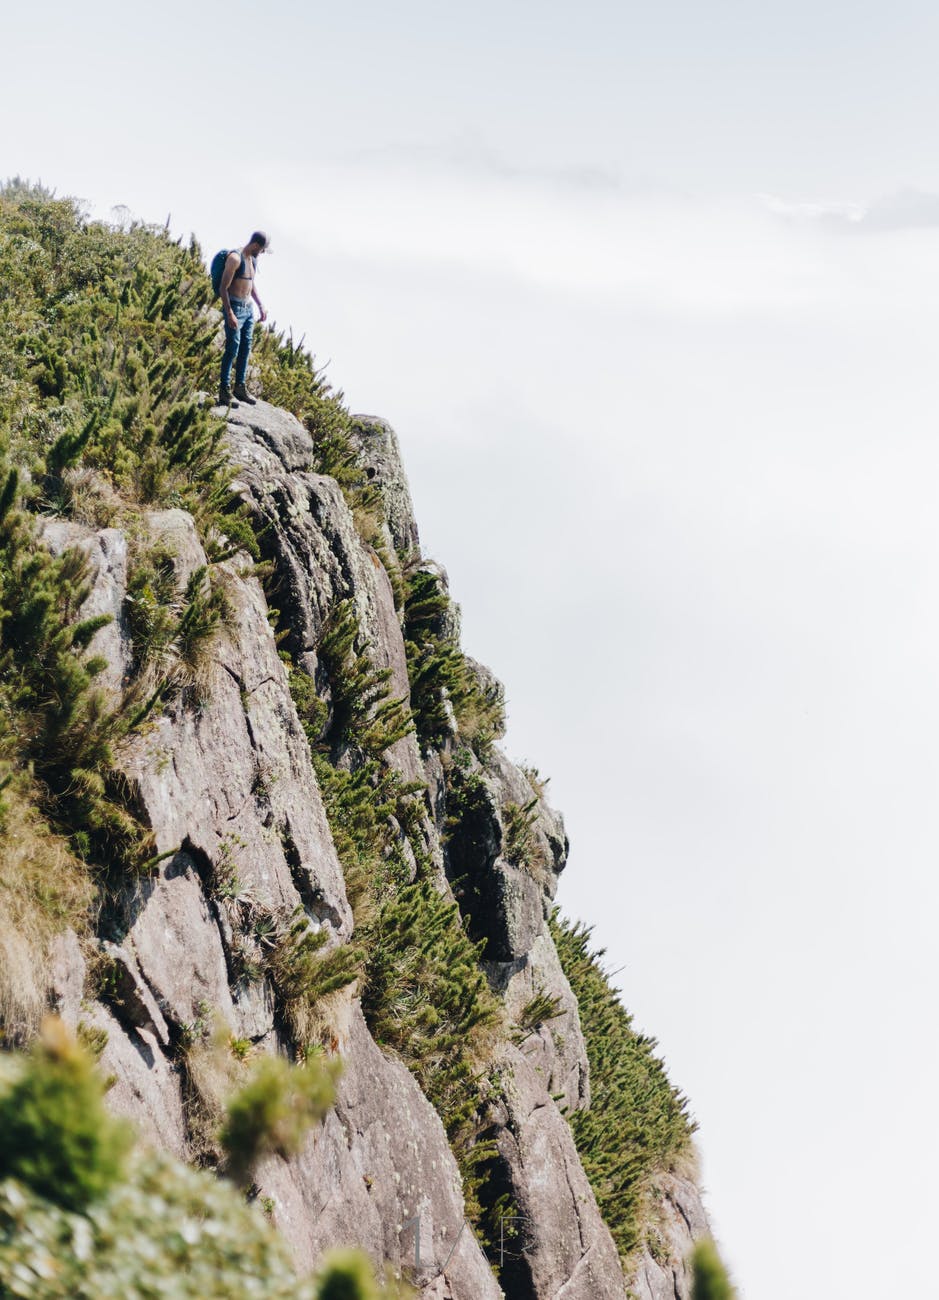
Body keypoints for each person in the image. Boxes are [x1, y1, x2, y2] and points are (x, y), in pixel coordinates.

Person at [218, 231, 269, 406]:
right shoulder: (235, 258)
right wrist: (230, 312)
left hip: (248, 309)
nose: (262, 253)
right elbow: (223, 288)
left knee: (245, 348)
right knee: (233, 347)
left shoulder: (252, 260)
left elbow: (250, 283)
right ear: (255, 245)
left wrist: (260, 305)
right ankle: (224, 390)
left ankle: (239, 388)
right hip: (235, 307)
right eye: (262, 249)